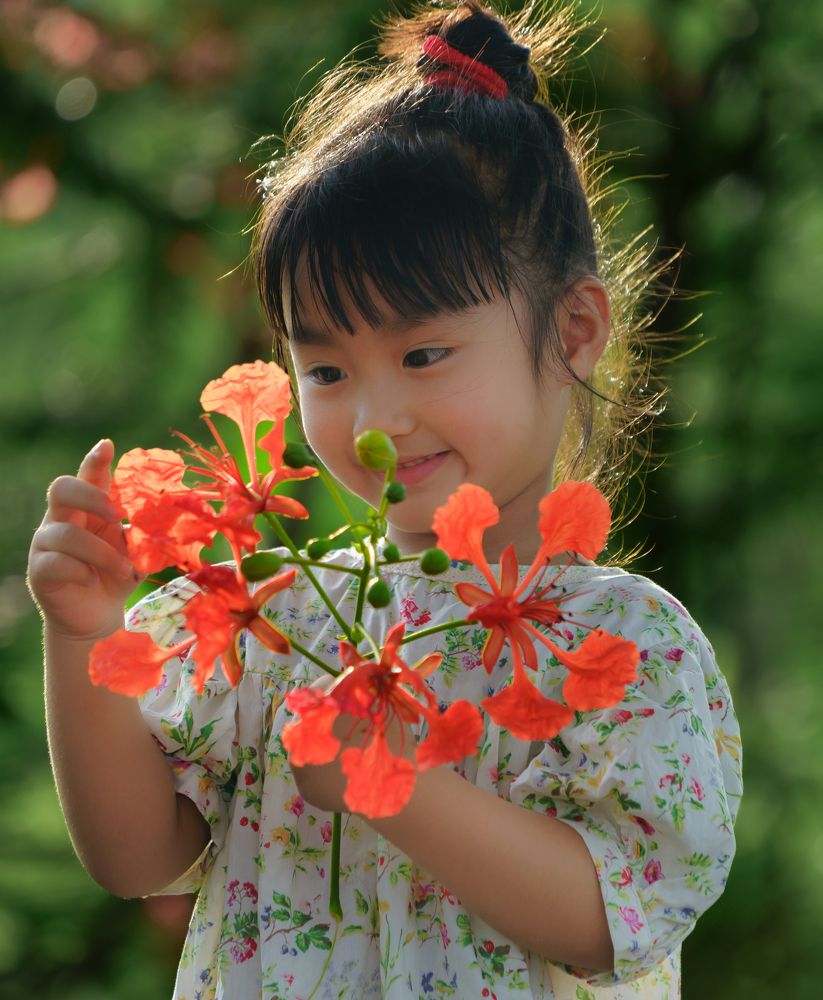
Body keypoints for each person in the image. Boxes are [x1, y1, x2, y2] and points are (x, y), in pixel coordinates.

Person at [27, 2, 743, 997]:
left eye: (422, 353)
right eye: (323, 370)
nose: (373, 416)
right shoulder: (280, 621)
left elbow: (608, 919)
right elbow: (136, 858)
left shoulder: (624, 643)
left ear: (574, 331)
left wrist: (396, 789)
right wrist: (84, 637)